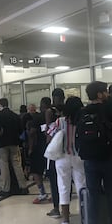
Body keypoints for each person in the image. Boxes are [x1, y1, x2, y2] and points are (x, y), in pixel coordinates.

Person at [77, 81, 112, 224]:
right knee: (111, 194)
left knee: (93, 194)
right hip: (109, 158)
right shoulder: (109, 109)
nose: (107, 94)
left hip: (90, 160)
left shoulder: (83, 112)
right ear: (99, 94)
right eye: (105, 91)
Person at [50, 96, 86, 224]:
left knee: (63, 187)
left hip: (62, 157)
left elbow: (50, 134)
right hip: (79, 157)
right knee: (81, 186)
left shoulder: (60, 121)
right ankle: (85, 217)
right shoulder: (82, 120)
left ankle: (65, 220)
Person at [0, 98, 29, 196]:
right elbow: (21, 130)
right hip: (14, 143)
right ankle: (23, 187)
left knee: (4, 165)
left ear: (0, 105)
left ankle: (5, 189)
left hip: (2, 144)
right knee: (17, 165)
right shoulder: (15, 116)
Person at [44, 88, 65, 217]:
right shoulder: (67, 110)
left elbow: (48, 131)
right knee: (65, 180)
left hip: (55, 148)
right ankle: (64, 208)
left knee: (54, 179)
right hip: (67, 148)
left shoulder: (49, 111)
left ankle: (56, 208)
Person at [27, 98, 51, 204]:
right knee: (52, 171)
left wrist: (30, 148)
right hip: (52, 147)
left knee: (37, 171)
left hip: (38, 147)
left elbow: (32, 133)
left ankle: (42, 193)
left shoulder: (36, 118)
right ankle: (55, 193)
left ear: (42, 105)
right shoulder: (56, 116)